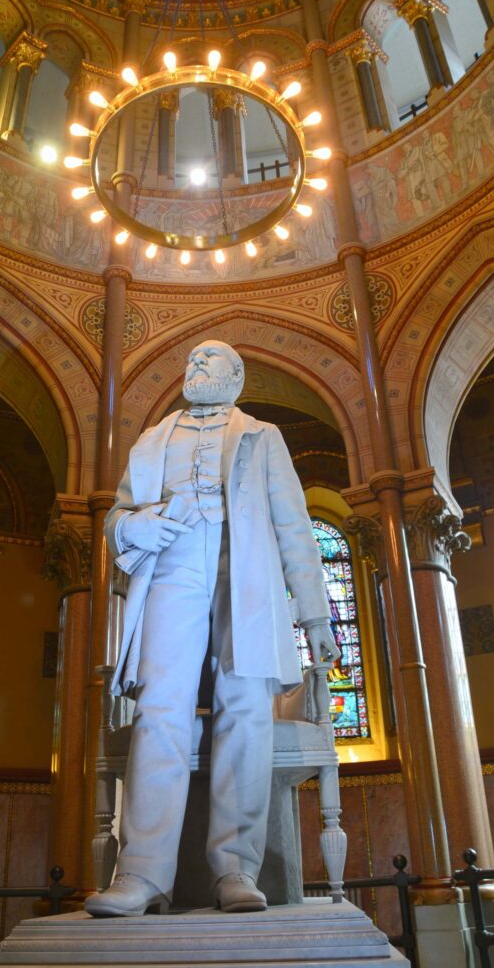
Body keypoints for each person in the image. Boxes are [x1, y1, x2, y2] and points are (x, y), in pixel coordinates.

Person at [85, 340, 336, 918]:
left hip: (245, 572)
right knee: (159, 707)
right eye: (192, 359)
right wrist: (133, 527)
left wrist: (315, 614)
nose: (195, 365)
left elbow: (294, 527)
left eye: (210, 359)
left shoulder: (263, 436)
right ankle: (142, 874)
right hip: (171, 567)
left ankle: (235, 868)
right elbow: (117, 516)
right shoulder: (153, 439)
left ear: (237, 375)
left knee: (246, 707)